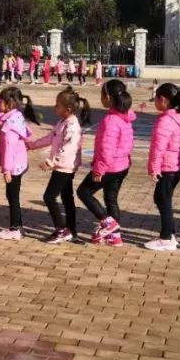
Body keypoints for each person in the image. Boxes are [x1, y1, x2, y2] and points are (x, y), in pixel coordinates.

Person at [76, 79, 135, 247]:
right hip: (122, 166)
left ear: (108, 97)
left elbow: (107, 149)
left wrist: (99, 169)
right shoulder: (125, 116)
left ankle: (108, 223)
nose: (101, 98)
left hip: (109, 168)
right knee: (111, 200)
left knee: (84, 192)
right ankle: (115, 237)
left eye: (102, 95)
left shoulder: (111, 120)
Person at [27, 89, 89, 243]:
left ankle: (61, 230)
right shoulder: (62, 122)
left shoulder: (73, 126)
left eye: (58, 105)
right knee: (67, 198)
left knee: (49, 197)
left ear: (68, 109)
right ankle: (71, 230)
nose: (55, 108)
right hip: (62, 165)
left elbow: (68, 148)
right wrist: (32, 145)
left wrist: (51, 161)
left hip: (65, 166)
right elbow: (50, 138)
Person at [144, 83, 180, 252]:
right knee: (162, 198)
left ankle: (166, 238)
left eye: (155, 98)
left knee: (163, 200)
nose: (154, 101)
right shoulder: (179, 116)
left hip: (168, 167)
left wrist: (154, 168)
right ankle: (170, 233)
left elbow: (159, 147)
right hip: (176, 166)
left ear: (162, 100)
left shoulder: (166, 121)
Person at [0, 86, 39, 239]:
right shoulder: (14, 118)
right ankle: (19, 226)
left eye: (0, 101)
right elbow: (0, 145)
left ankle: (14, 229)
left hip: (14, 166)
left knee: (12, 196)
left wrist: (6, 170)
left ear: (9, 104)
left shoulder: (10, 125)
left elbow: (8, 148)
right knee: (13, 195)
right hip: (18, 164)